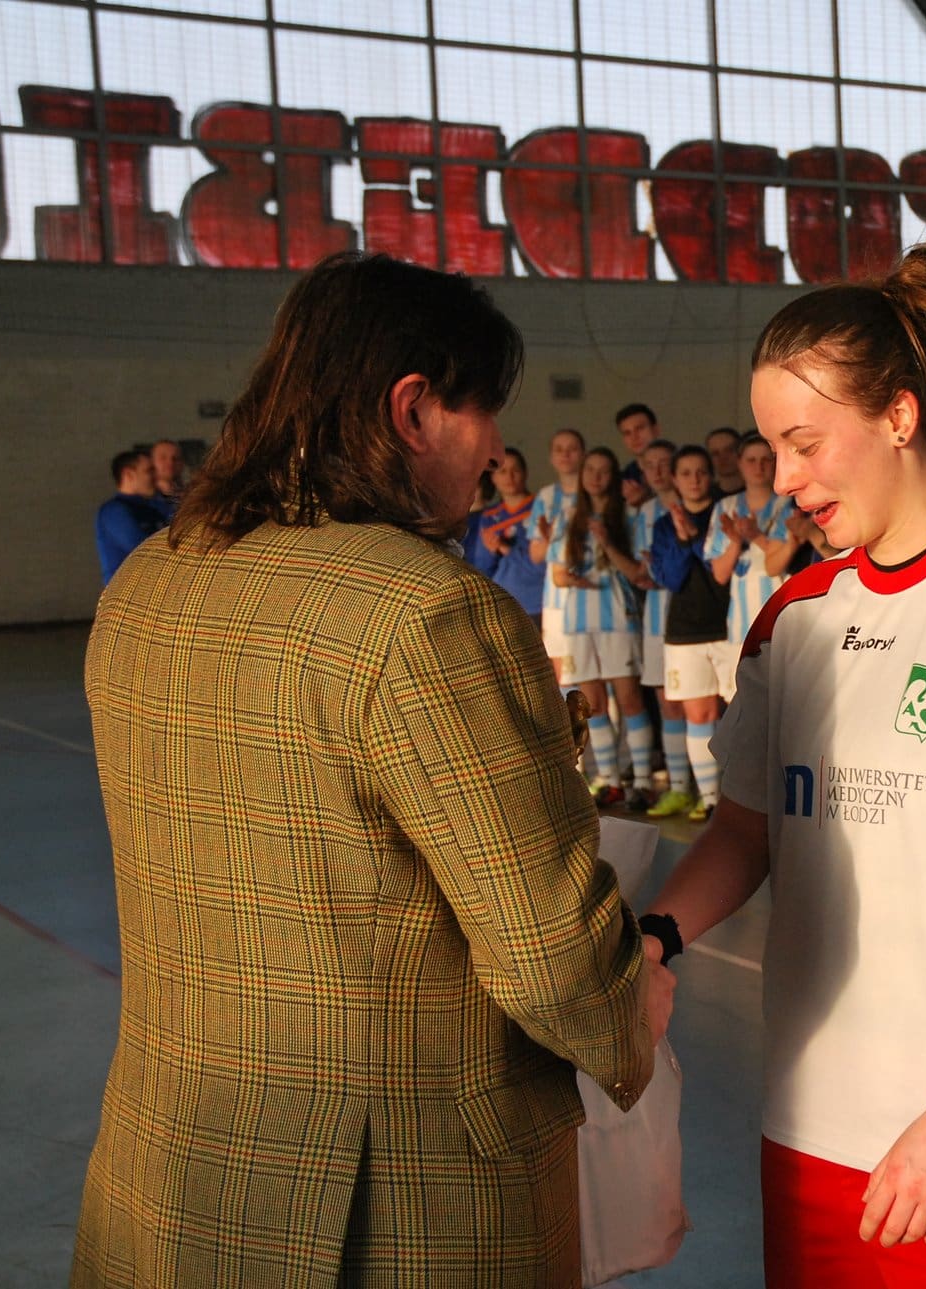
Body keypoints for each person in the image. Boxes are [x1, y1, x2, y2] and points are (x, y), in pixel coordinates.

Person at [72, 251, 674, 1283]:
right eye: (486, 414)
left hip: (168, 1173)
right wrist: (635, 1003)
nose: (496, 451)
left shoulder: (146, 585)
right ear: (414, 409)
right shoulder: (426, 612)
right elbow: (552, 957)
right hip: (390, 1208)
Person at [648, 244, 926, 1287]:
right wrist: (650, 940)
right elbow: (744, 831)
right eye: (771, 447)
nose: (784, 479)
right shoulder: (793, 617)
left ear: (899, 416)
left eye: (804, 443)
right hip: (808, 1129)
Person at [559, 446, 652, 806]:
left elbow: (637, 571)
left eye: (603, 471)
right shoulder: (570, 516)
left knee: (629, 698)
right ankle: (609, 780)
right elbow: (557, 572)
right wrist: (571, 579)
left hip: (617, 618)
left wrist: (607, 541)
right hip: (580, 623)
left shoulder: (628, 515)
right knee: (592, 704)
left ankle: (642, 780)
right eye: (590, 470)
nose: (596, 478)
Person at [652, 444, 734, 822]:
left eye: (701, 471)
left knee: (738, 713)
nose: (695, 479)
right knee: (699, 715)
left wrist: (696, 539)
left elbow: (724, 572)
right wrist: (683, 541)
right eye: (685, 473)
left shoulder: (726, 513)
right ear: (674, 479)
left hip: (728, 625)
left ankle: (739, 799)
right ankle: (710, 798)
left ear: (711, 474)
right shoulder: (664, 524)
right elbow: (670, 578)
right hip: (685, 630)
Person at [632, 438, 698, 816]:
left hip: (694, 619)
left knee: (701, 708)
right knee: (668, 705)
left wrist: (657, 569)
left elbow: (661, 570)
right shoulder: (645, 513)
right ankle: (679, 786)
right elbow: (645, 571)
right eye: (649, 465)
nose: (657, 472)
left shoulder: (694, 506)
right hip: (656, 621)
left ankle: (709, 787)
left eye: (663, 463)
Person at [707, 432, 801, 651]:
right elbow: (720, 574)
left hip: (781, 622)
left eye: (766, 459)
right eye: (751, 460)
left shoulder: (789, 505)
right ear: (739, 463)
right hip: (741, 625)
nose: (759, 467)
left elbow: (777, 564)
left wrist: (756, 536)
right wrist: (736, 541)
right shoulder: (725, 507)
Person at [528, 426, 586, 704]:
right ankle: (575, 728)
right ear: (551, 457)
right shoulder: (546, 497)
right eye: (559, 450)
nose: (566, 455)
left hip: (591, 594)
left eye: (572, 449)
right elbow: (535, 555)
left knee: (598, 674)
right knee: (563, 674)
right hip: (556, 600)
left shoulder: (593, 493)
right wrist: (549, 538)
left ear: (583, 454)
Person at [468, 444, 545, 626]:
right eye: (502, 472)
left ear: (525, 473)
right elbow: (483, 568)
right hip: (504, 604)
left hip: (538, 602)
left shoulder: (541, 508)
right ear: (493, 477)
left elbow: (542, 564)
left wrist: (506, 549)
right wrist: (492, 551)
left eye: (515, 470)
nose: (509, 477)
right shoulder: (490, 516)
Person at [95, 448, 165, 583]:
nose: (155, 477)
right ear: (129, 475)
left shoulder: (155, 508)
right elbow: (143, 549)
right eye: (149, 471)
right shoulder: (115, 511)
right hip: (130, 589)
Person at [615, 401, 658, 507]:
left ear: (655, 430)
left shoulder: (679, 468)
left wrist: (646, 499)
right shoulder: (624, 479)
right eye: (627, 433)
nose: (634, 437)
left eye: (639, 429)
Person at [707, 425, 747, 495]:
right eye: (715, 453)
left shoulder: (758, 491)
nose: (723, 458)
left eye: (729, 450)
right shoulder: (705, 496)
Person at [150, 438, 186, 514]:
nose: (170, 462)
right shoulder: (143, 500)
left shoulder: (192, 498)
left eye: (175, 458)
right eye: (163, 458)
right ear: (151, 462)